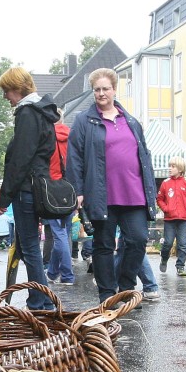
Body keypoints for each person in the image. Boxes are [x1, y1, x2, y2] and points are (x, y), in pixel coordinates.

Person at [67, 68, 157, 302]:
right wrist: (78, 191)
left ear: (114, 90)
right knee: (104, 245)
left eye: (105, 88)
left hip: (134, 193)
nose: (101, 93)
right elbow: (74, 157)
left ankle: (126, 288)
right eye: (97, 89)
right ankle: (107, 294)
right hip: (101, 194)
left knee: (137, 240)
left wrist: (150, 191)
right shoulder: (83, 121)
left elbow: (144, 156)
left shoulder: (131, 121)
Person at [0, 66, 62, 310]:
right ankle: (41, 300)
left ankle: (40, 302)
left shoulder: (27, 113)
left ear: (17, 88)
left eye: (6, 91)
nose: (5, 96)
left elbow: (20, 160)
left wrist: (4, 198)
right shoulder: (44, 112)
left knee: (31, 248)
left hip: (25, 190)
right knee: (28, 247)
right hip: (38, 186)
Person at [45, 114, 75, 286]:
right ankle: (52, 272)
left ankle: (67, 275)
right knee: (64, 232)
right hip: (70, 190)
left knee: (59, 234)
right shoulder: (72, 137)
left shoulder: (47, 137)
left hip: (52, 190)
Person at [157, 157, 186, 277]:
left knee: (182, 244)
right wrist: (166, 208)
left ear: (180, 169)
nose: (170, 168)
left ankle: (180, 266)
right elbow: (159, 199)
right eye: (170, 166)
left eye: (173, 166)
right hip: (169, 219)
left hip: (183, 219)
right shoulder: (165, 183)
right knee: (168, 243)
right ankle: (164, 258)